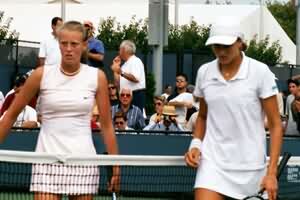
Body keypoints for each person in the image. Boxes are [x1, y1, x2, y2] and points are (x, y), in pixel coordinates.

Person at [0, 21, 119, 200]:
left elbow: (107, 126)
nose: (69, 49)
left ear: (84, 45)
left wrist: (116, 167)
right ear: (59, 44)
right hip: (46, 159)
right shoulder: (41, 74)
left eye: (74, 44)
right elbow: (10, 116)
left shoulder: (97, 77)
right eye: (64, 43)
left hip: (83, 160)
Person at [184, 17, 282, 200]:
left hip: (253, 169)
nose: (220, 51)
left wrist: (271, 173)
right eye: (216, 46)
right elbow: (203, 117)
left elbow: (276, 125)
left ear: (240, 43)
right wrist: (196, 144)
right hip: (212, 166)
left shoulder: (260, 72)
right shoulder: (204, 72)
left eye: (226, 46)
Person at [111, 40, 146, 112]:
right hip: (124, 96)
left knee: (135, 118)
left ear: (124, 50)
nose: (118, 52)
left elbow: (136, 78)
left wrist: (121, 72)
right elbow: (117, 83)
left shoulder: (135, 61)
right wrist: (116, 68)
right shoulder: (125, 64)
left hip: (135, 95)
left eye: (119, 49)